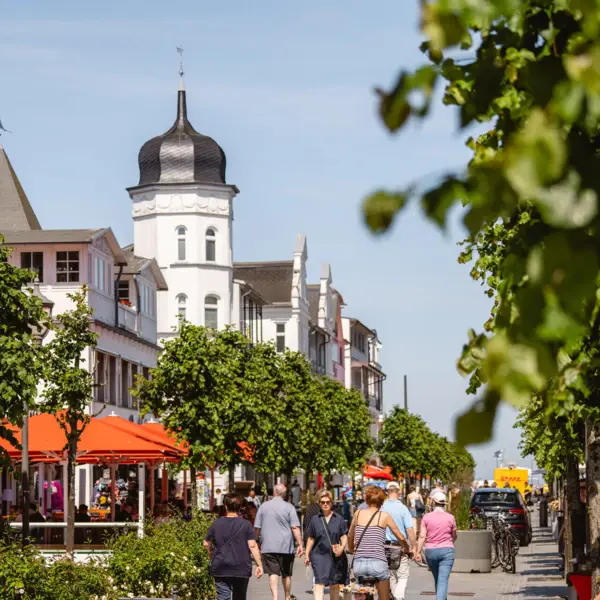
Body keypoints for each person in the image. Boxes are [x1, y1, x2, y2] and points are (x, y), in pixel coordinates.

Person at [348, 486, 409, 600]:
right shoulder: (384, 516)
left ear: (366, 500)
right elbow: (399, 535)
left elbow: (350, 535)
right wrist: (406, 548)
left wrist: (351, 549)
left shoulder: (358, 513)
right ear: (382, 501)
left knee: (361, 594)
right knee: (384, 597)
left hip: (359, 564)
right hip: (378, 563)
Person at [204, 493, 264, 600]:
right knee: (240, 597)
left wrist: (210, 553)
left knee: (223, 597)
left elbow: (206, 543)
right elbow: (253, 545)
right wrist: (259, 565)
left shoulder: (216, 523)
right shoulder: (246, 525)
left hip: (220, 566)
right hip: (241, 567)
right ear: (240, 507)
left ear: (225, 506)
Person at [254, 483, 303, 600]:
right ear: (284, 494)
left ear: (274, 492)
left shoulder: (263, 507)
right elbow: (295, 528)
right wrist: (300, 544)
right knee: (286, 574)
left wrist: (256, 542)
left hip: (268, 546)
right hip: (286, 546)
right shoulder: (289, 507)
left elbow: (257, 527)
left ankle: (275, 598)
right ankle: (287, 596)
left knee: (273, 573)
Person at [304, 489, 348, 600]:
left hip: (334, 556)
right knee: (319, 583)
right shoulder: (315, 519)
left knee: (334, 584)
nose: (325, 504)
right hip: (319, 556)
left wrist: (342, 547)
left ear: (331, 503)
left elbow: (343, 536)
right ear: (319, 503)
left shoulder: (339, 519)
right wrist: (306, 554)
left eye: (327, 502)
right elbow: (311, 538)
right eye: (322, 502)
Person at [415, 491, 457, 600]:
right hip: (447, 551)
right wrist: (448, 543)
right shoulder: (450, 517)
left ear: (433, 502)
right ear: (444, 504)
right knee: (442, 580)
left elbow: (422, 536)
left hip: (431, 552)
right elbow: (454, 535)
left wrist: (418, 552)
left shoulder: (427, 517)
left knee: (438, 579)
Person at [383, 481, 416, 600]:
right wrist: (414, 547)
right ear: (399, 492)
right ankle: (398, 597)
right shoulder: (403, 508)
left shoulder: (382, 508)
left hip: (385, 547)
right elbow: (410, 530)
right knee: (402, 576)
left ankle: (395, 596)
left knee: (391, 575)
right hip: (400, 547)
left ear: (387, 492)